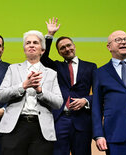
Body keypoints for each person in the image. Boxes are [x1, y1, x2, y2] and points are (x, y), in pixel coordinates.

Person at [0, 30, 63, 155]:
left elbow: (58, 102)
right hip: (15, 126)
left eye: (35, 43)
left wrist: (40, 91)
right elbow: (1, 95)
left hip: (41, 128)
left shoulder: (51, 73)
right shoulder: (13, 68)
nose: (31, 45)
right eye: (28, 43)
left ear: (42, 50)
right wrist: (23, 86)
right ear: (24, 49)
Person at [40, 18, 97, 155]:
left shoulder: (91, 66)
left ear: (74, 46)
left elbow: (98, 92)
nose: (67, 49)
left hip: (82, 120)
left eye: (69, 45)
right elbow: (42, 58)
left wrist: (86, 100)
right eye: (62, 48)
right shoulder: (56, 66)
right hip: (61, 119)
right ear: (59, 52)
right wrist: (50, 35)